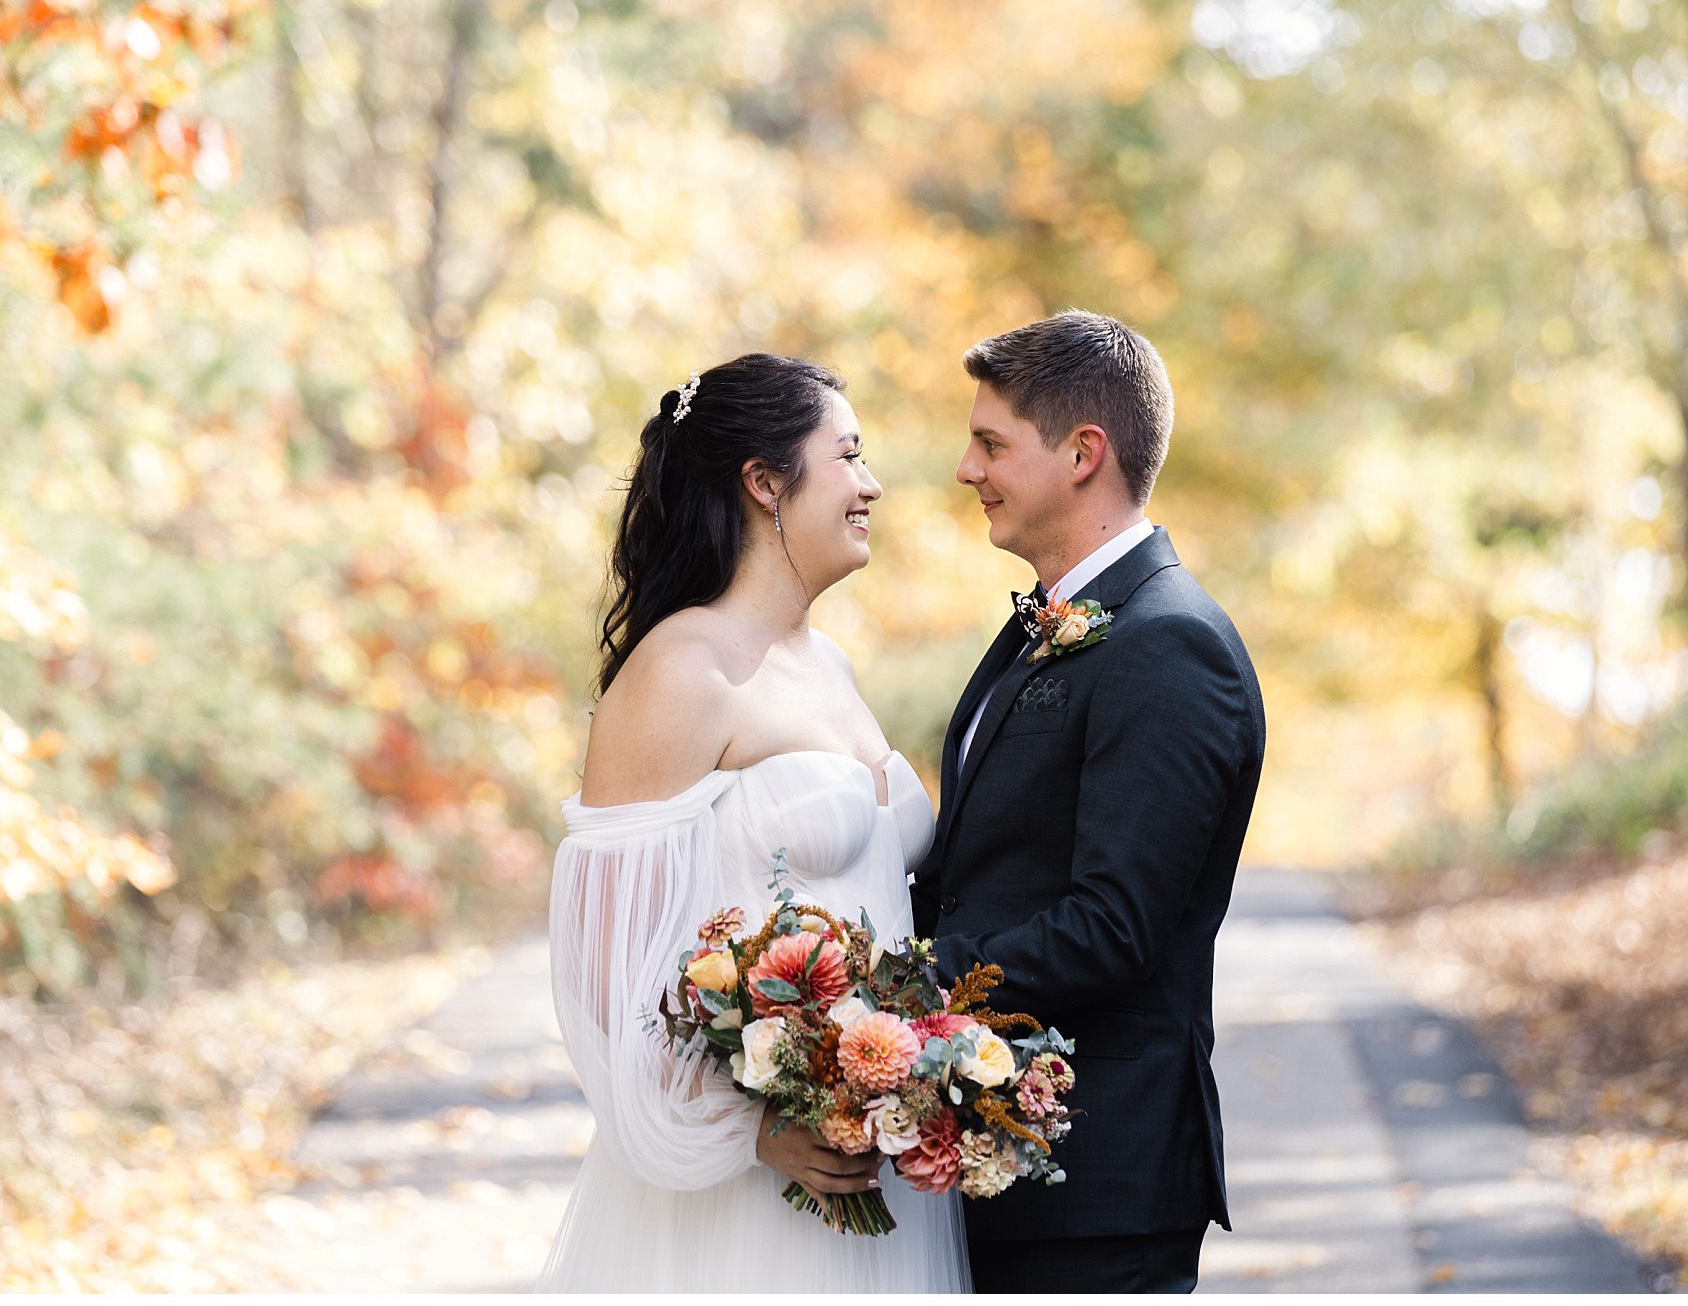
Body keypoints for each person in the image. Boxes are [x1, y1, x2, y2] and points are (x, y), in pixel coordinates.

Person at [538, 353, 971, 1292]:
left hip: (876, 1164)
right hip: (745, 1194)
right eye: (848, 455)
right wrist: (756, 1130)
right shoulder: (680, 672)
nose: (872, 484)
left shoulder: (835, 667)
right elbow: (606, 967)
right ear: (765, 480)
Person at [911, 311, 1267, 1294]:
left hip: (1095, 1179)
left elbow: (1115, 923)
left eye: (990, 443)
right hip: (1002, 1161)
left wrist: (906, 987)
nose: (966, 468)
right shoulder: (1061, 624)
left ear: (1082, 452)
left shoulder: (1168, 644)